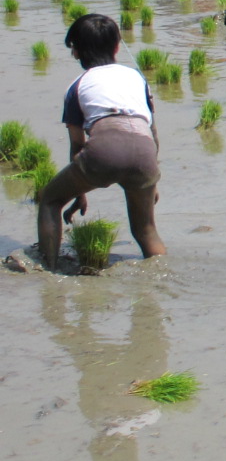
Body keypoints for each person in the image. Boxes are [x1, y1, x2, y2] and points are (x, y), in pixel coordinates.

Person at [35, 14, 165, 271]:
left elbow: (76, 146)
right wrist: (153, 180)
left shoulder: (77, 86)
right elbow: (152, 131)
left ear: (76, 51)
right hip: (145, 152)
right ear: (117, 46)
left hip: (105, 149)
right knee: (146, 230)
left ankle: (48, 270)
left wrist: (80, 191)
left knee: (49, 199)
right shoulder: (137, 78)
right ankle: (161, 280)